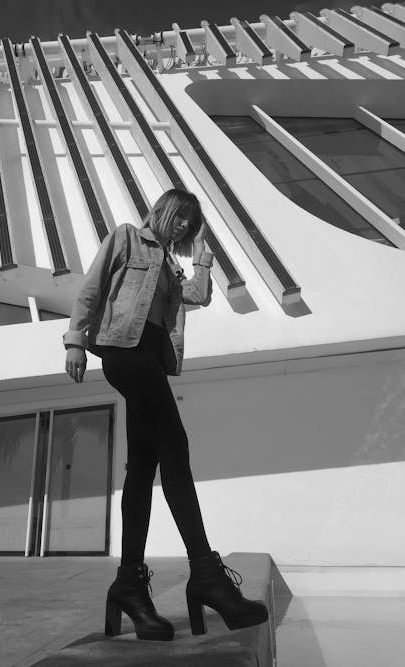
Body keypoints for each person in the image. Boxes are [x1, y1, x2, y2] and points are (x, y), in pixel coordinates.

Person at [63, 188, 268, 640]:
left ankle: (129, 585)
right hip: (124, 350)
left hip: (153, 358)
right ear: (165, 210)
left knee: (142, 468)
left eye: (190, 225)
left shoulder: (173, 267)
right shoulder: (125, 239)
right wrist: (76, 341)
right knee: (175, 443)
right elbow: (93, 288)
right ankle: (206, 574)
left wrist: (203, 258)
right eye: (181, 219)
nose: (183, 228)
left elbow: (199, 295)